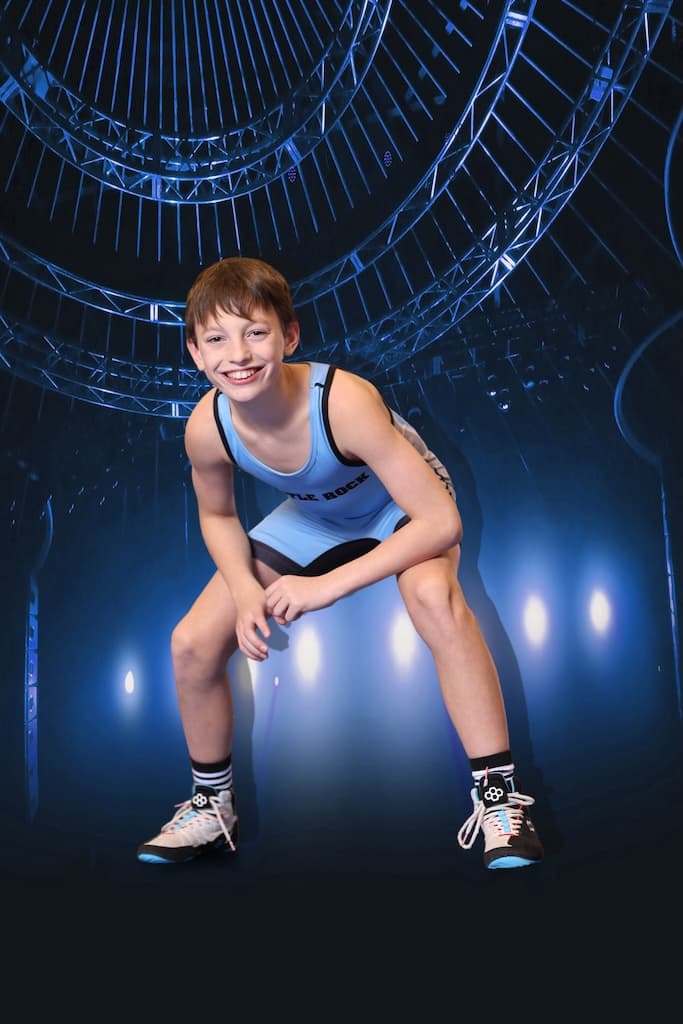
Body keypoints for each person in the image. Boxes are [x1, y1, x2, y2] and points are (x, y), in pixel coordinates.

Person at [136, 256, 544, 871]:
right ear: (195, 352)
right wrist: (245, 592)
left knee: (433, 597)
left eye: (255, 333)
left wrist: (324, 585)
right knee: (191, 642)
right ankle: (212, 810)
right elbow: (218, 517)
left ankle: (500, 801)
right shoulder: (207, 428)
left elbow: (442, 523)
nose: (237, 355)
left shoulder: (343, 401)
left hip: (402, 506)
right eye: (216, 339)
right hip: (315, 515)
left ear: (289, 337)